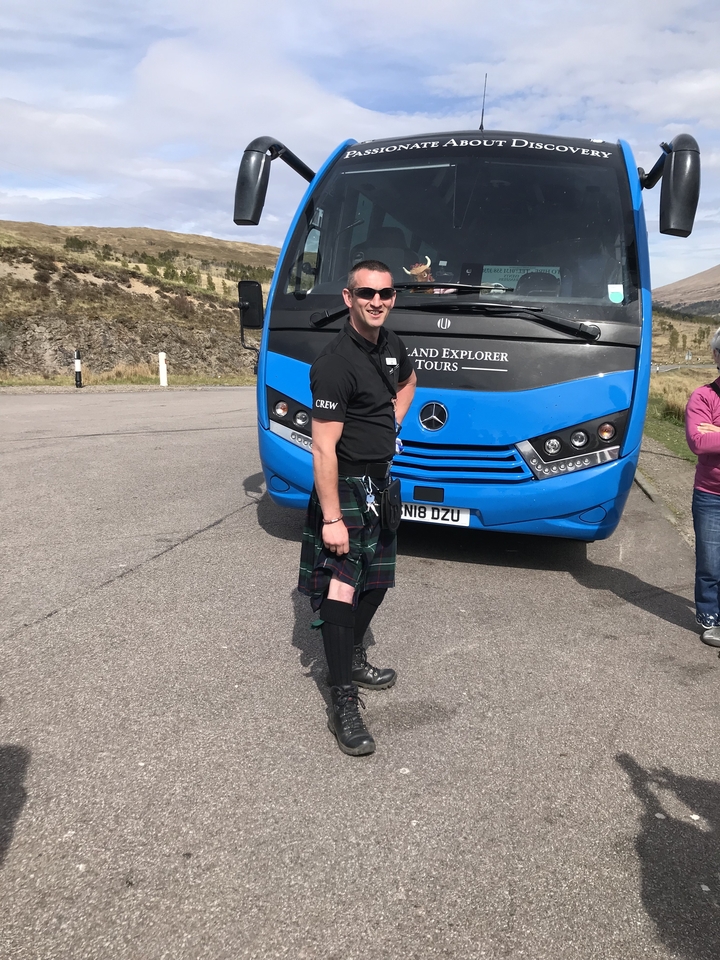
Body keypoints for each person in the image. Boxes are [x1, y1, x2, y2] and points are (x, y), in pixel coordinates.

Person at [298, 260, 417, 755]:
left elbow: (410, 381)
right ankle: (342, 694)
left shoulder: (392, 345)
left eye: (386, 293)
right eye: (367, 293)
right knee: (343, 589)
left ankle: (349, 659)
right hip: (344, 485)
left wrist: (393, 426)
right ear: (348, 297)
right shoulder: (334, 363)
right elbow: (323, 449)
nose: (377, 301)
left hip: (381, 482)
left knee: (378, 581)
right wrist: (332, 518)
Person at [685, 328, 720, 647]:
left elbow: (711, 439)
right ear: (715, 355)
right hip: (711, 496)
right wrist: (710, 436)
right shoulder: (702, 397)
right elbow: (698, 442)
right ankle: (711, 618)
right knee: (710, 563)